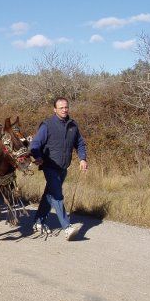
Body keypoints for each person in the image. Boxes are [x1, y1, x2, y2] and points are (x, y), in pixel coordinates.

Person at [30, 97, 88, 241]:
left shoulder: (72, 125)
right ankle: (67, 228)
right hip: (49, 165)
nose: (64, 110)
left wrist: (82, 159)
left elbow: (80, 143)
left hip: (63, 167)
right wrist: (37, 156)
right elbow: (35, 144)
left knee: (49, 195)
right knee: (57, 195)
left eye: (66, 107)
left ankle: (38, 222)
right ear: (54, 109)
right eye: (61, 108)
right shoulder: (47, 125)